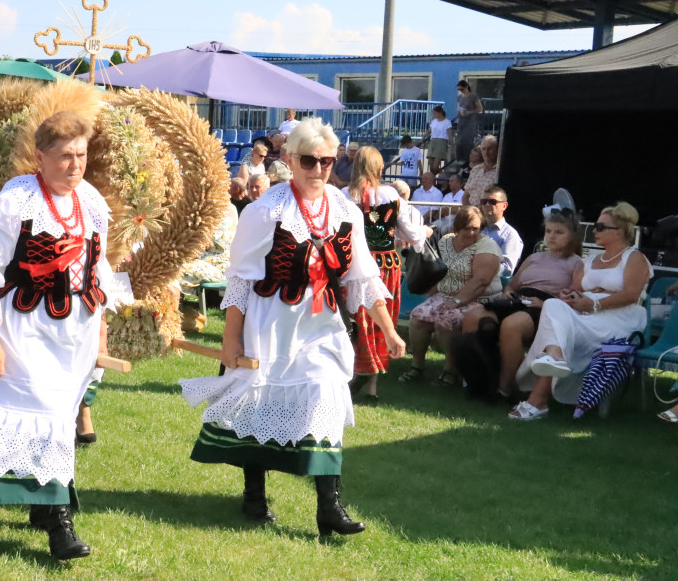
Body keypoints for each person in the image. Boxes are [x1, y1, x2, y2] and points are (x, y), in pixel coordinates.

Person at [181, 119, 403, 539]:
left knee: (325, 397)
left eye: (326, 161)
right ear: (289, 160)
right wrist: (232, 340)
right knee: (259, 403)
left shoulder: (344, 209)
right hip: (270, 322)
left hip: (322, 325)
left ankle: (329, 507)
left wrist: (389, 331)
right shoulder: (266, 211)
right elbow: (241, 280)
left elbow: (361, 277)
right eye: (308, 160)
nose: (318, 169)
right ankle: (254, 494)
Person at [0, 110, 119, 561]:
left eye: (81, 155)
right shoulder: (13, 203)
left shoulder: (91, 202)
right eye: (64, 156)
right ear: (39, 156)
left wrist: (101, 331)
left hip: (76, 331)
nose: (75, 165)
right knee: (40, 412)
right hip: (25, 328)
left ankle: (42, 507)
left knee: (61, 419)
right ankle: (61, 525)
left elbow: (97, 270)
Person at [511, 202, 650, 420]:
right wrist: (571, 296)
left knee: (559, 330)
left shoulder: (634, 258)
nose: (595, 230)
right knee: (553, 305)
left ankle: (537, 400)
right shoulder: (591, 260)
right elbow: (575, 290)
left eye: (601, 227)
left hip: (620, 321)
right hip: (586, 316)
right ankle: (553, 361)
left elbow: (631, 295)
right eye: (596, 226)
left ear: (620, 231)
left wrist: (594, 302)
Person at [460, 208, 583, 400]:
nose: (551, 237)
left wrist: (544, 303)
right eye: (548, 231)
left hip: (545, 307)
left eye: (559, 232)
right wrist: (508, 292)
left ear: (572, 235)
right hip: (517, 300)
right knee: (473, 317)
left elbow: (574, 297)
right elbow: (513, 284)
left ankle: (505, 388)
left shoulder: (576, 263)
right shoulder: (534, 257)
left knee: (511, 326)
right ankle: (476, 379)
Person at [344, 145, 429, 399]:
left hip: (355, 263)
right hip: (386, 264)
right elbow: (412, 234)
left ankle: (357, 370)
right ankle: (372, 385)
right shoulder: (391, 194)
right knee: (381, 320)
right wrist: (426, 232)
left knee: (358, 318)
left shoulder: (343, 195)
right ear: (379, 168)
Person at [402, 206, 502, 385]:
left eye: (476, 228)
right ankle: (416, 366)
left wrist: (456, 301)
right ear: (457, 228)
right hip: (445, 295)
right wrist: (429, 302)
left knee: (445, 322)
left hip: (479, 299)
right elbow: (438, 272)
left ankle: (451, 370)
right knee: (418, 316)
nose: (472, 233)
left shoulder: (487, 245)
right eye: (467, 228)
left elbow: (481, 281)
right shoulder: (446, 241)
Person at [479, 185, 522, 276]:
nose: (487, 205)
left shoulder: (510, 235)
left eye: (492, 202)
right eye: (484, 201)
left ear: (504, 206)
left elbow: (506, 271)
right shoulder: (475, 229)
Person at [462, 136, 498, 205]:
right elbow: (465, 196)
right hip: (472, 214)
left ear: (496, 150)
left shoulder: (500, 172)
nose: (486, 152)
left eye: (490, 149)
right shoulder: (475, 170)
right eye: (483, 149)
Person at [454, 80, 483, 163]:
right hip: (461, 121)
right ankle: (460, 159)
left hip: (470, 121)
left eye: (462, 89)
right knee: (459, 141)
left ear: (466, 87)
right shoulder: (459, 97)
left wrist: (470, 112)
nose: (461, 91)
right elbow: (458, 107)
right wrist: (459, 112)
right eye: (459, 90)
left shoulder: (473, 96)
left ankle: (468, 160)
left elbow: (480, 108)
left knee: (467, 141)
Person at [428, 105, 452, 174]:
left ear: (440, 113)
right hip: (433, 142)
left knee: (436, 166)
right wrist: (421, 139)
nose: (434, 115)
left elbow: (449, 133)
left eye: (435, 113)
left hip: (441, 142)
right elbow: (429, 131)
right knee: (431, 167)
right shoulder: (434, 121)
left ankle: (442, 176)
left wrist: (451, 143)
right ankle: (433, 181)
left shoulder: (447, 122)